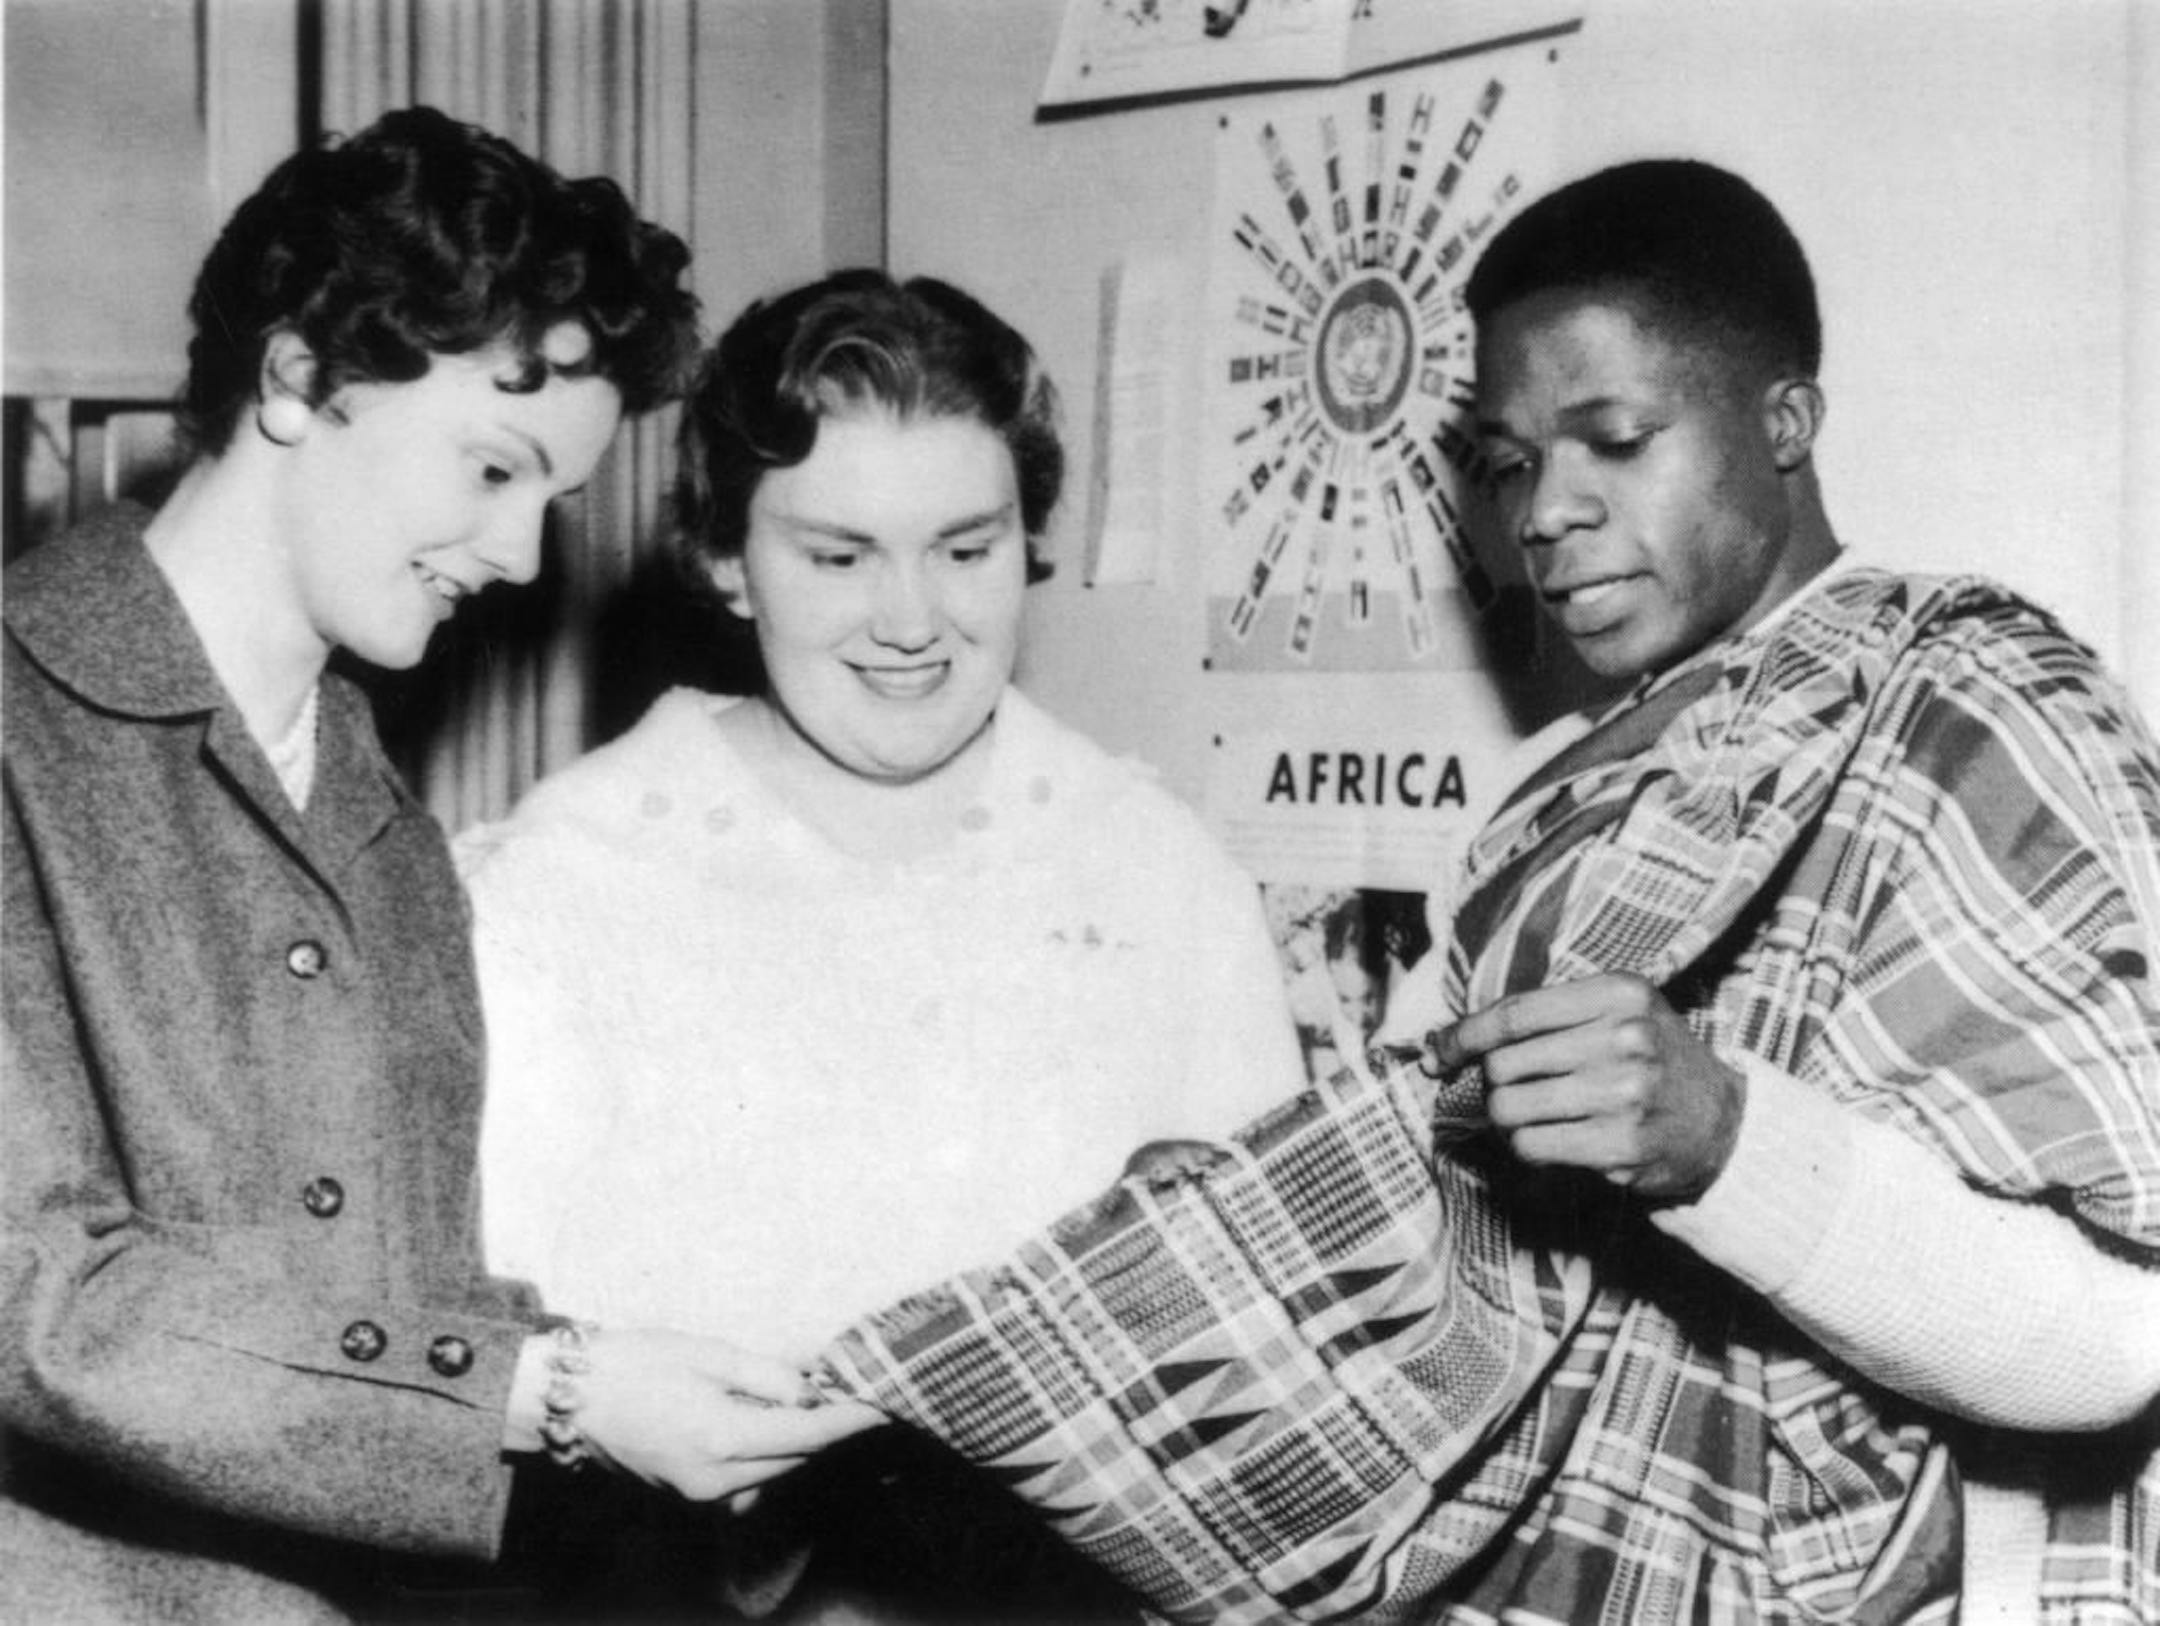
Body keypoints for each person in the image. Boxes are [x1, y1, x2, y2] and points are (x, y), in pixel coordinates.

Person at [816, 160, 2160, 1624]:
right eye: (1514, 463)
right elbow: (1451, 1257)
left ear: (1785, 421)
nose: (1547, 514)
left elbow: (2121, 1339)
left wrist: (1727, 1141)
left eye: (1616, 440)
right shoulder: (1540, 799)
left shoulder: (1976, 711)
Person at [1, 107, 874, 1625]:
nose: (525, 556)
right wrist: (559, 1390)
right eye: (492, 467)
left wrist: (666, 1402)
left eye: (550, 495)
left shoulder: (381, 823)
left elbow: (384, 1308)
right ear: (297, 380)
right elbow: (48, 1303)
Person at [458, 269, 1305, 1616]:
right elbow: (491, 1393)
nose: (913, 621)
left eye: (965, 549)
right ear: (729, 558)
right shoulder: (563, 881)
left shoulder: (1157, 873)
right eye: (838, 556)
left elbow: (1267, 1380)